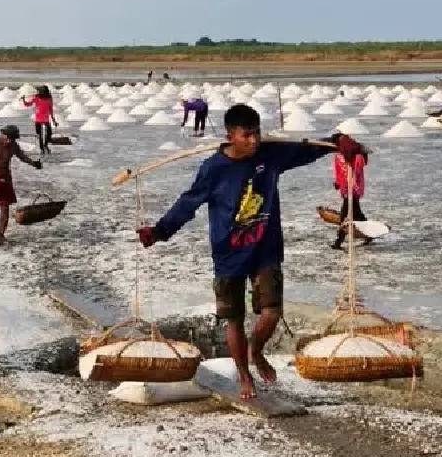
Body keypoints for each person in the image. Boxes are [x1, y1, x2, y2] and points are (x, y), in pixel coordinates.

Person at [137, 103, 361, 399]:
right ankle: (244, 375)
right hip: (228, 253)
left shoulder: (271, 155)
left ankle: (256, 351)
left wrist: (336, 142)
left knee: (271, 312)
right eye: (247, 135)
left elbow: (306, 150)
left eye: (257, 133)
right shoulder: (214, 169)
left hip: (266, 249)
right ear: (231, 136)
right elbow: (188, 203)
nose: (254, 141)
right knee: (234, 319)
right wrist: (159, 231)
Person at [331, 140, 371, 250]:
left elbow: (357, 172)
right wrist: (339, 183)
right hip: (347, 189)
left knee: (345, 215)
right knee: (357, 214)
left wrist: (351, 183)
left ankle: (339, 241)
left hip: (353, 190)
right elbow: (338, 172)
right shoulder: (339, 157)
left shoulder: (358, 157)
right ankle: (370, 234)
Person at [23, 86, 59, 153]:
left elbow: (50, 110)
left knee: (47, 134)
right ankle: (42, 148)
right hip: (39, 119)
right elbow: (28, 104)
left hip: (45, 120)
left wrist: (54, 120)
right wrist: (24, 100)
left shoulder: (48, 99)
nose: (39, 92)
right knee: (41, 135)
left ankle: (44, 146)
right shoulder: (37, 98)